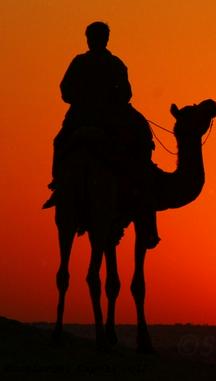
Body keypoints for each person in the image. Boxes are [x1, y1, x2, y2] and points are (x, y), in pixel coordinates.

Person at [44, 21, 159, 248]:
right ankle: (136, 195)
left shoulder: (82, 63)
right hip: (105, 121)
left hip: (83, 119)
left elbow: (66, 92)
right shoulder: (114, 64)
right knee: (134, 146)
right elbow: (126, 94)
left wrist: (84, 97)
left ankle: (59, 184)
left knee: (60, 143)